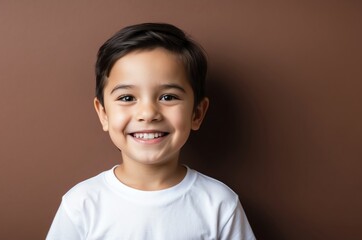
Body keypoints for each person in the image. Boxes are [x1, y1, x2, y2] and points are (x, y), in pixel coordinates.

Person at [46, 22, 255, 240]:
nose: (148, 113)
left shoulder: (219, 204)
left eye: (168, 97)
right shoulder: (81, 204)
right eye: (127, 98)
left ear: (197, 113)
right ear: (104, 114)